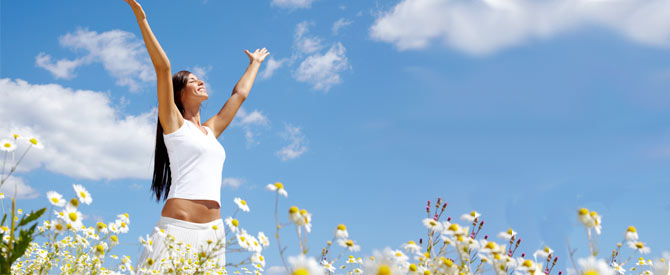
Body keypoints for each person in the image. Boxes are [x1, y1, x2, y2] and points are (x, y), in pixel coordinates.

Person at [122, 0, 269, 271]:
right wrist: (142, 18)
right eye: (192, 80)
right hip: (177, 228)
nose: (200, 81)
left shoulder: (211, 131)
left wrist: (255, 64)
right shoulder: (174, 124)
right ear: (179, 93)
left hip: (213, 233)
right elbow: (163, 69)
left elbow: (239, 95)